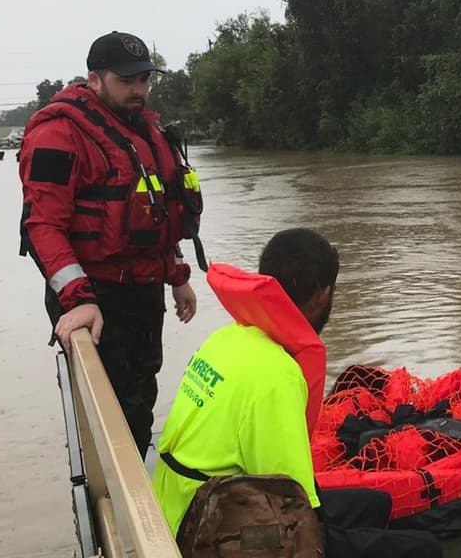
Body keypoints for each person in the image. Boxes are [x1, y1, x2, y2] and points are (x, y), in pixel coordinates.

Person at [152, 228, 442, 558]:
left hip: (185, 503)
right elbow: (293, 503)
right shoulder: (279, 376)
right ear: (324, 294)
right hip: (207, 531)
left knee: (376, 504)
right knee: (425, 549)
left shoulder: (228, 338)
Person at [19, 30, 203, 458]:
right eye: (127, 81)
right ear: (95, 79)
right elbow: (43, 225)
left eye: (144, 79)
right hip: (93, 294)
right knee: (107, 413)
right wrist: (79, 298)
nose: (138, 90)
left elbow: (156, 212)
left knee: (140, 402)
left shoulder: (144, 129)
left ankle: (135, 490)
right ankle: (111, 504)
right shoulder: (58, 132)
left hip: (142, 291)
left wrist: (177, 276)